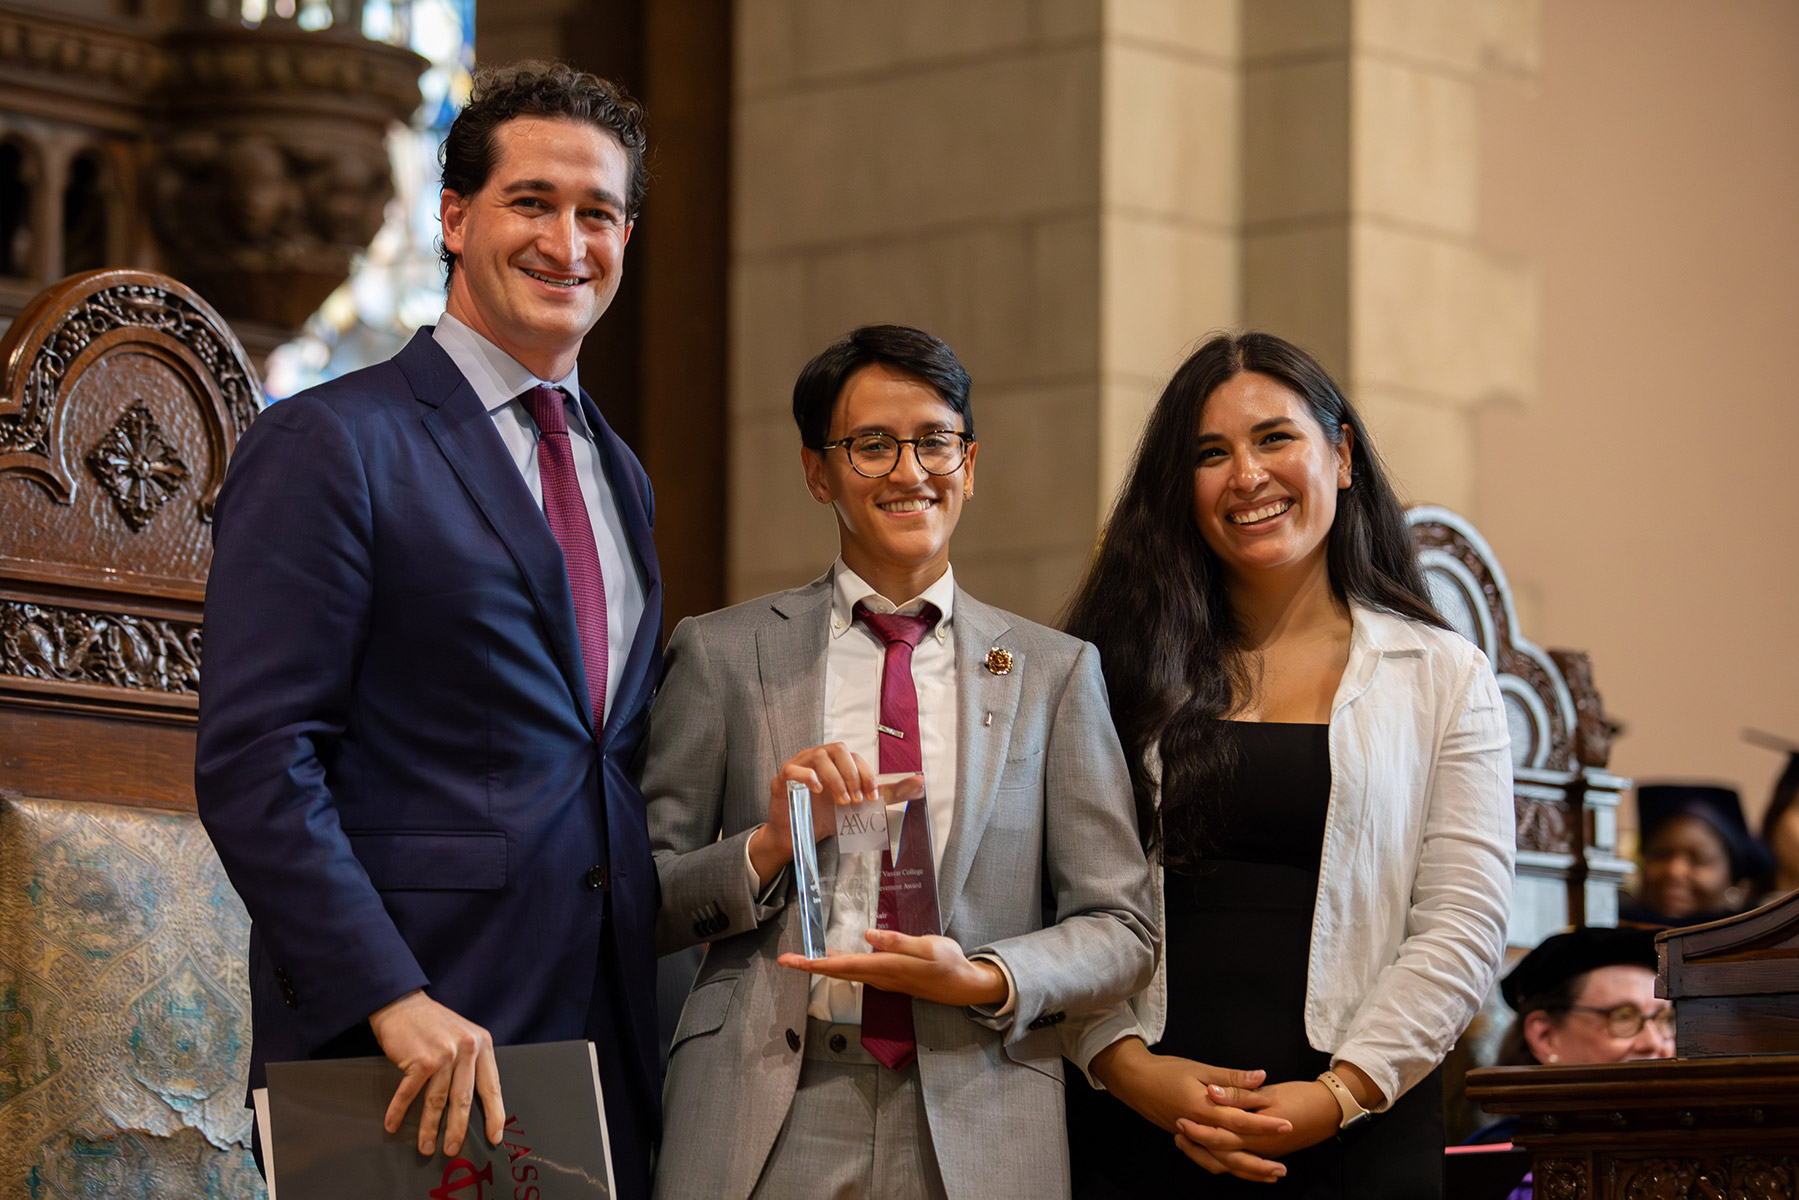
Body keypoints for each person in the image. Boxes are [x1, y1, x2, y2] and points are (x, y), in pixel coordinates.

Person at [194, 62, 664, 1195]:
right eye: (531, 203)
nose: (567, 242)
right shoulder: (333, 442)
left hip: (599, 1038)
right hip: (405, 1040)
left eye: (596, 212)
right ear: (452, 219)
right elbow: (259, 756)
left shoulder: (622, 475)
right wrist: (387, 996)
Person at [643, 325, 1157, 1198]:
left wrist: (989, 975)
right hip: (768, 1105)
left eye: (934, 441)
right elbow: (642, 903)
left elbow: (1121, 928)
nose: (909, 470)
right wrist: (765, 846)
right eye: (871, 445)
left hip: (980, 1104)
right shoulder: (722, 654)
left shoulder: (1055, 672)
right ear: (818, 472)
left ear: (969, 462)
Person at [1059, 330, 1515, 1197]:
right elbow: (1054, 892)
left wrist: (1337, 1095)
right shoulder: (1105, 665)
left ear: (1339, 455)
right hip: (1135, 1119)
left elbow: (1461, 923)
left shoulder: (1441, 674)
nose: (1246, 476)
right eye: (1209, 453)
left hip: (1361, 1127)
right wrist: (1120, 1062)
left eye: (1274, 438)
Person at [1465, 926, 1674, 1199]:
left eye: (1664, 1019)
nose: (1654, 1043)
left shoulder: (1705, 1149)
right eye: (1623, 1017)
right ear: (1546, 1037)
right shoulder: (1496, 1171)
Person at [1621, 783, 1772, 927]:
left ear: (1732, 875)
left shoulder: (1752, 937)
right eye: (1661, 854)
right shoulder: (1614, 930)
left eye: (1698, 859)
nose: (1675, 870)